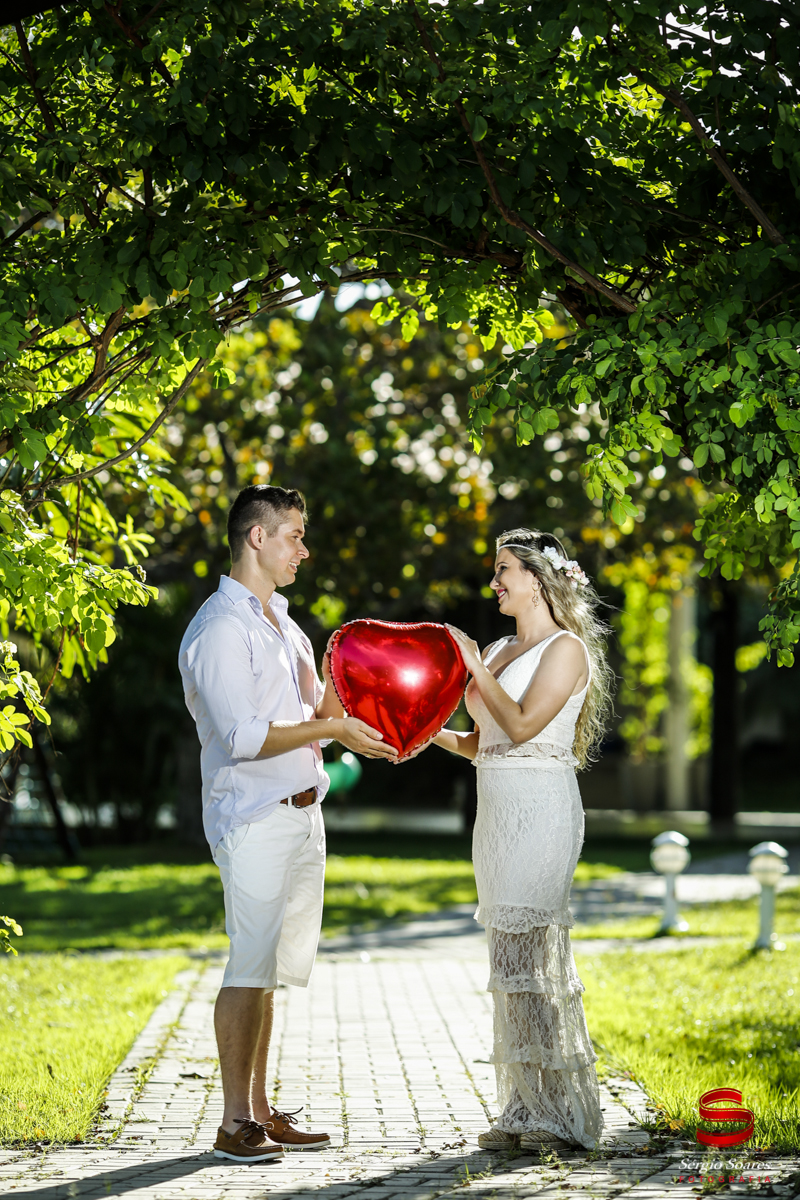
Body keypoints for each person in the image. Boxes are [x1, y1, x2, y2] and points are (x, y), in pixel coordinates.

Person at [179, 484, 397, 1163]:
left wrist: (353, 680)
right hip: (253, 818)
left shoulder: (284, 623)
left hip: (304, 815)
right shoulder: (221, 627)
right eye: (294, 535)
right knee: (247, 967)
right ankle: (232, 1123)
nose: (303, 548)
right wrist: (333, 723)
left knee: (269, 970)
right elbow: (245, 737)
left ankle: (263, 1113)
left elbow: (314, 719)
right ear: (256, 538)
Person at [430, 528, 612, 1151]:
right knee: (508, 967)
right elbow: (483, 742)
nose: (495, 582)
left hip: (542, 812)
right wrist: (423, 735)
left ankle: (558, 1115)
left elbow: (527, 723)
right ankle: (523, 1109)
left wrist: (473, 665)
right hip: (496, 817)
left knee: (532, 963)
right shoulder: (502, 646)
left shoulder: (565, 650)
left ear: (537, 577)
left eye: (504, 569)